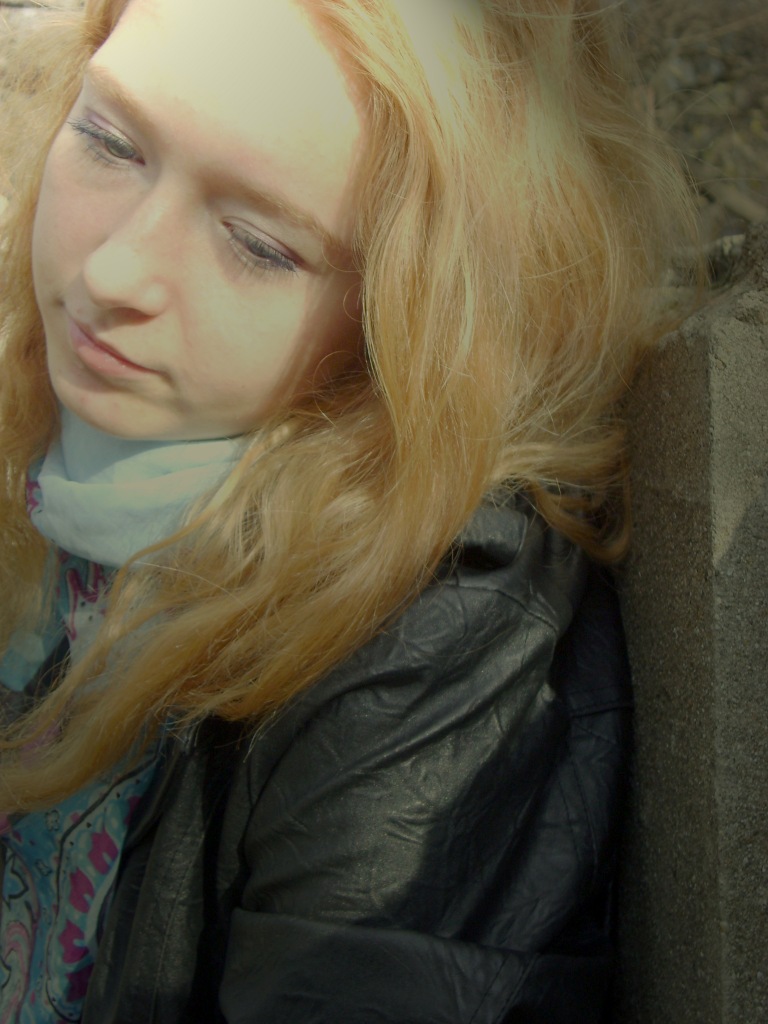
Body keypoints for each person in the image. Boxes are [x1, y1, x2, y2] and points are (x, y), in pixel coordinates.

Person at [0, 0, 695, 1020]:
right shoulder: (26, 377)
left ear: (410, 312)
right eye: (109, 141)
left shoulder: (438, 634)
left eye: (257, 245)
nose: (110, 276)